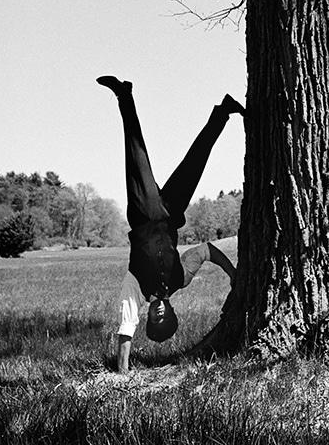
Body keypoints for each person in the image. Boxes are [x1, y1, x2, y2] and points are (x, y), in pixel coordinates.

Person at [97, 76, 243, 372]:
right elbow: (205, 251)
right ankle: (223, 111)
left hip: (144, 212)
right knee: (195, 164)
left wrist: (122, 374)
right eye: (166, 319)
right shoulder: (181, 280)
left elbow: (126, 327)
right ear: (173, 312)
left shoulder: (135, 287)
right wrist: (233, 274)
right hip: (170, 214)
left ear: (148, 316)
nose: (159, 314)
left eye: (154, 320)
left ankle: (125, 96)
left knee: (136, 155)